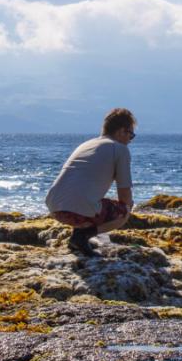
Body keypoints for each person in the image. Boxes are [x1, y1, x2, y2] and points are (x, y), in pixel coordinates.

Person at [45, 108, 136, 256]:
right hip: (78, 211)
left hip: (54, 207)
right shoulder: (120, 149)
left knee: (91, 202)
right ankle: (82, 236)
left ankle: (78, 237)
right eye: (131, 135)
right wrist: (128, 208)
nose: (130, 141)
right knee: (123, 210)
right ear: (121, 131)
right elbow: (125, 193)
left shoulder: (87, 144)